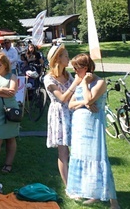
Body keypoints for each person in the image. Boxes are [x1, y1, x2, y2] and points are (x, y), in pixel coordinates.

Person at [66, 54, 120, 208]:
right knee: (82, 157)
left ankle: (113, 201)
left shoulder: (100, 82)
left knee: (98, 159)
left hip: (93, 125)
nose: (75, 71)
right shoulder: (78, 81)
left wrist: (84, 85)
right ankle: (93, 193)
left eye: (77, 68)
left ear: (87, 68)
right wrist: (84, 102)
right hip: (79, 126)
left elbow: (91, 99)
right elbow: (71, 104)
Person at [44, 44, 80, 186]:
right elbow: (62, 98)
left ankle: (78, 181)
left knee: (76, 151)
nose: (68, 58)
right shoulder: (49, 79)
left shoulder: (68, 75)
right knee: (63, 153)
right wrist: (75, 82)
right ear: (57, 59)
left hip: (73, 113)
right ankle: (68, 186)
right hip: (59, 116)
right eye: (65, 56)